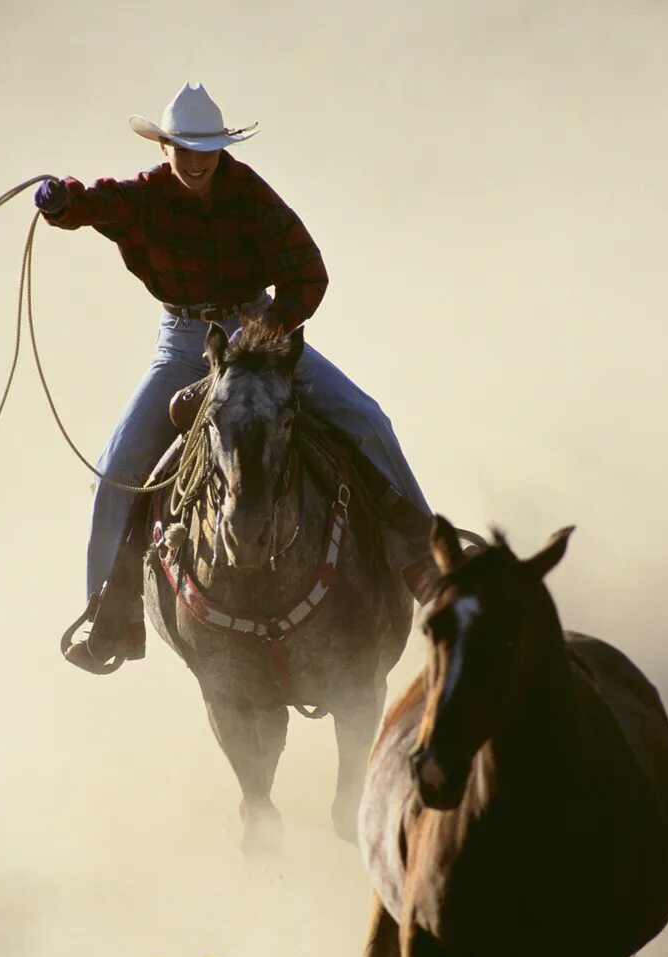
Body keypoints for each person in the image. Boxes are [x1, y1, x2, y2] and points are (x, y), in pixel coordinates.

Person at [36, 82, 434, 674]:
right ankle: (108, 614)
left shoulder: (249, 194)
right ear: (165, 148)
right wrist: (63, 201)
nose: (197, 162)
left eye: (208, 150)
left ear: (221, 150)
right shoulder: (145, 197)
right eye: (186, 150)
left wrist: (265, 329)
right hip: (184, 343)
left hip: (257, 333)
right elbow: (96, 203)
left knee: (365, 417)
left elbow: (308, 273)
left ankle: (424, 558)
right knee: (116, 471)